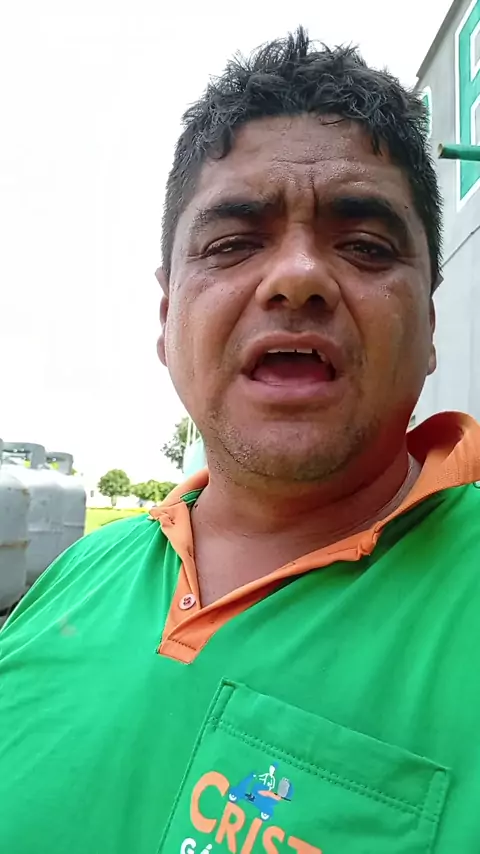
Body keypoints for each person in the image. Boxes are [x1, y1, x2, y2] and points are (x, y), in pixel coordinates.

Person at [0, 27, 479, 854]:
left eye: (366, 247)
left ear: (430, 324)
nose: (298, 278)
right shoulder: (76, 576)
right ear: (166, 318)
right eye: (232, 243)